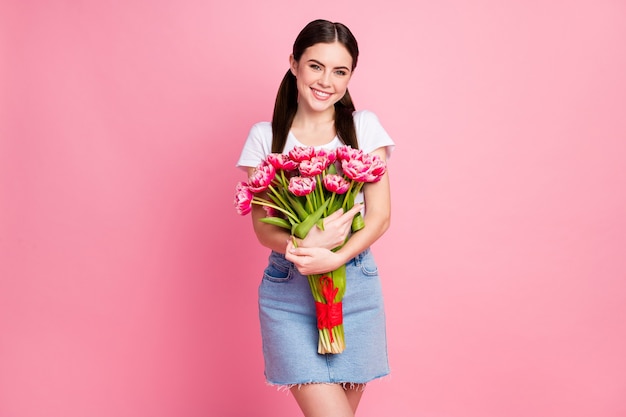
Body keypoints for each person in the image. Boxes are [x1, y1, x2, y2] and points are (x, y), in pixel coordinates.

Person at [236, 19, 395, 417]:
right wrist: (308, 247)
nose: (327, 81)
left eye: (340, 71)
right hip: (289, 289)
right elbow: (262, 226)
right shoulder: (266, 137)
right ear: (294, 64)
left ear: (350, 77)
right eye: (316, 66)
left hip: (354, 287)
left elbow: (379, 217)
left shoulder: (362, 128)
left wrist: (335, 257)